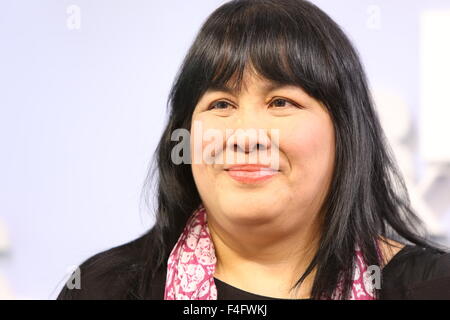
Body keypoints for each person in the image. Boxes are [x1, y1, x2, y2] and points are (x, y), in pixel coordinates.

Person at [57, 0, 450, 300]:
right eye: (221, 105)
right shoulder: (104, 289)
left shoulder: (432, 287)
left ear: (346, 132)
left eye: (281, 102)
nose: (245, 135)